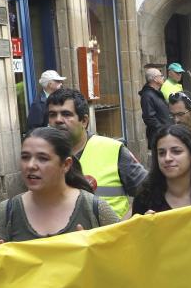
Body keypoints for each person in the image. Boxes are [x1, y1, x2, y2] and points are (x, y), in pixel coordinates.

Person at [0, 127, 119, 244]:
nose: (30, 166)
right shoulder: (6, 212)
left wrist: (96, 253)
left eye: (43, 158)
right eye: (25, 157)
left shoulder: (95, 209)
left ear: (66, 164)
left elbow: (124, 258)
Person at [47, 89, 147, 219]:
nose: (58, 120)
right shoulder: (41, 156)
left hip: (110, 237)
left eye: (66, 114)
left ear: (84, 121)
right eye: (52, 114)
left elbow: (150, 191)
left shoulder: (113, 149)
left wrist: (124, 223)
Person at [132, 125, 191, 214]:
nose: (167, 158)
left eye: (176, 151)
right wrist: (145, 225)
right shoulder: (144, 198)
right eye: (161, 153)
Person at [140, 66, 172, 148]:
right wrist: (163, 130)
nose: (163, 78)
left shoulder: (156, 93)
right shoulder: (147, 95)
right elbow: (149, 118)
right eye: (161, 76)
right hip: (159, 137)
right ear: (155, 79)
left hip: (166, 135)